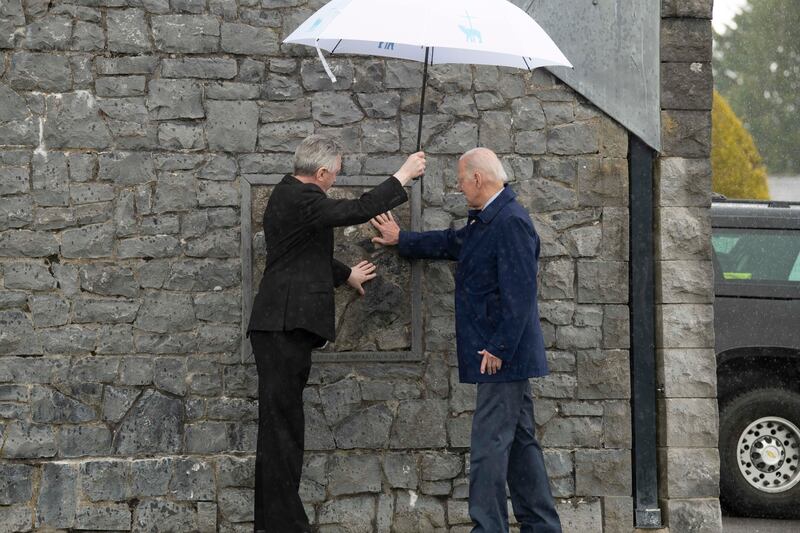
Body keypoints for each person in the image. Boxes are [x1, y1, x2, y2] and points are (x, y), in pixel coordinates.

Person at [370, 147, 561, 533]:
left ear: (477, 178)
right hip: (504, 354)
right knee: (521, 445)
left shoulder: (510, 221)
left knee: (489, 448)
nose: (459, 187)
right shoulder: (490, 219)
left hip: (501, 355)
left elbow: (520, 294)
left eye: (461, 180)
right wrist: (402, 238)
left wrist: (498, 348)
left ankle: (488, 528)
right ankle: (541, 526)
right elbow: (452, 244)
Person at [247, 134, 425, 533]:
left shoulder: (289, 197)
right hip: (283, 326)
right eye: (335, 175)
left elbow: (301, 255)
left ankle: (275, 524)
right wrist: (404, 175)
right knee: (282, 430)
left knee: (281, 428)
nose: (335, 182)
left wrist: (345, 274)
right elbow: (358, 209)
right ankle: (285, 526)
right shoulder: (301, 198)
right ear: (321, 172)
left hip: (281, 327)